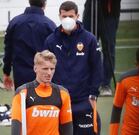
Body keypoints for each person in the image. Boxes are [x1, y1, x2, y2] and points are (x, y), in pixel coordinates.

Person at [44, 1, 102, 135]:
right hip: (59, 100)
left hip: (83, 100)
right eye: (64, 16)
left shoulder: (89, 39)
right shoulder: (51, 41)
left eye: (71, 16)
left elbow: (97, 68)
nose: (67, 19)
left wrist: (93, 94)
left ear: (77, 16)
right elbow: (45, 69)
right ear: (59, 16)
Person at [11, 50, 73, 135]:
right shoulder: (22, 93)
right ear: (35, 68)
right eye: (45, 69)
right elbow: (15, 127)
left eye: (52, 69)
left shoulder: (63, 93)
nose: (49, 73)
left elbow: (67, 128)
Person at [3, 0, 56, 91]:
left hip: (20, 75)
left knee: (23, 102)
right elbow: (55, 54)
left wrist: (6, 72)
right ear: (44, 3)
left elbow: (8, 50)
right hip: (43, 74)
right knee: (43, 103)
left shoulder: (15, 23)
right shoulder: (49, 25)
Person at [82, 0, 121, 96]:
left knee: (108, 48)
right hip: (91, 10)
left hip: (110, 13)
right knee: (87, 47)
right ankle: (87, 81)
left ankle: (105, 84)